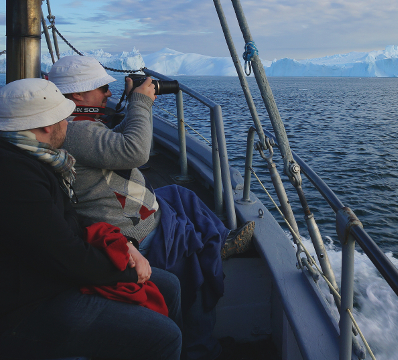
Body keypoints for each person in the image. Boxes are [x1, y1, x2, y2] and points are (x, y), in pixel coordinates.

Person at [48, 56, 254, 360]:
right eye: (103, 88)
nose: (107, 93)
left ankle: (220, 239)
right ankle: (201, 348)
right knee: (196, 260)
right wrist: (140, 104)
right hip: (133, 229)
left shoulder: (77, 124)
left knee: (180, 195)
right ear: (78, 95)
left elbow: (107, 141)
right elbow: (136, 151)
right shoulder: (78, 132)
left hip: (126, 207)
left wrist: (127, 108)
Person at [0, 78, 183, 360]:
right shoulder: (16, 177)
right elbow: (63, 257)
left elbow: (63, 222)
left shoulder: (33, 159)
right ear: (46, 126)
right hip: (27, 305)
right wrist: (128, 272)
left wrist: (124, 247)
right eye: (64, 117)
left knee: (168, 286)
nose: (68, 124)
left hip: (45, 276)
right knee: (165, 337)